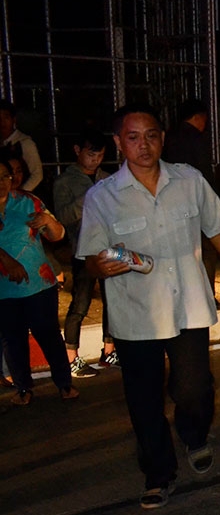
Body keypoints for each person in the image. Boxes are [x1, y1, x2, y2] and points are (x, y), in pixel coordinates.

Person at [79, 104, 220, 510]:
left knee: (195, 389)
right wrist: (100, 266)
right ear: (118, 143)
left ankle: (194, 434)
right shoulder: (102, 197)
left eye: (151, 135)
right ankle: (158, 474)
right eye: (133, 137)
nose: (143, 145)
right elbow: (90, 258)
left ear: (162, 138)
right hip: (136, 315)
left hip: (188, 307)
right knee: (144, 401)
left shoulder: (189, 180)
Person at [0, 149, 77, 405]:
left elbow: (56, 236)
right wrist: (6, 259)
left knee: (48, 334)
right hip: (4, 289)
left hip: (38, 284)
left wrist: (49, 222)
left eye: (5, 176)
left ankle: (64, 383)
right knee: (13, 339)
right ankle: (23, 387)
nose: (2, 182)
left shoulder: (27, 202)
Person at [53, 129, 119, 378]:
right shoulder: (65, 181)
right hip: (83, 251)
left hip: (108, 249)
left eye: (100, 155)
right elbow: (63, 217)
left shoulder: (106, 178)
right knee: (80, 304)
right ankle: (71, 357)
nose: (96, 160)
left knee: (113, 302)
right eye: (91, 155)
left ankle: (109, 351)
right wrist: (90, 197)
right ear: (78, 151)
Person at [162, 98, 219, 298]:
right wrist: (219, 204)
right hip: (195, 203)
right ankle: (206, 296)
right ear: (198, 117)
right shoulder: (196, 139)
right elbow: (204, 174)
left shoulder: (169, 137)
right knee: (207, 250)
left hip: (170, 203)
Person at [0, 99, 44, 193]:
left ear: (14, 120)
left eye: (6, 117)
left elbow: (37, 174)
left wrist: (22, 193)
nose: (2, 122)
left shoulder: (25, 142)